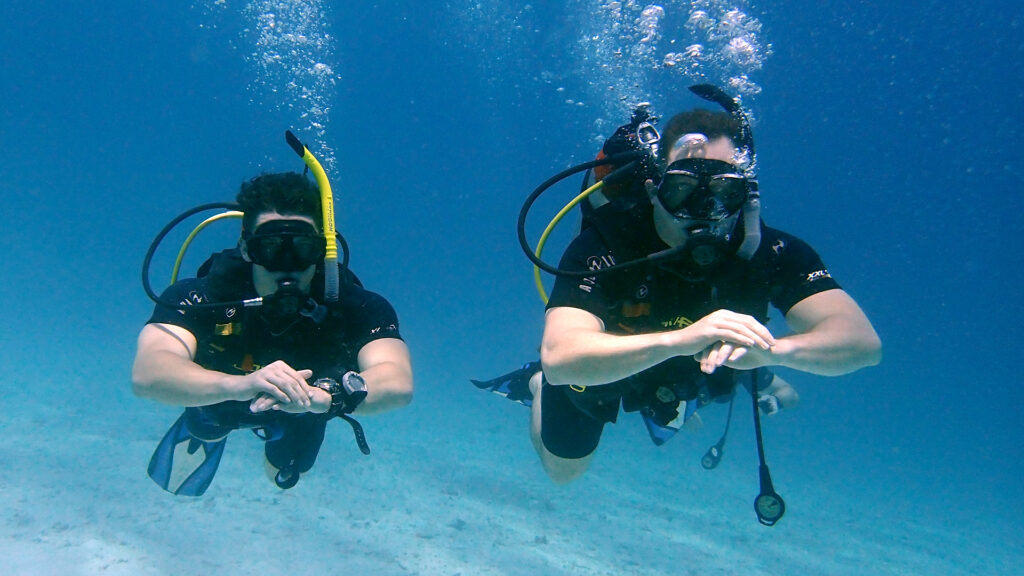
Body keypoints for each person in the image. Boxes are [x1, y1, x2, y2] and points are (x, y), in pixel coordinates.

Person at [478, 89, 880, 485]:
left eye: (724, 190)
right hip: (610, 364)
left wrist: (774, 351)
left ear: (746, 192)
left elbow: (862, 344)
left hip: (687, 369)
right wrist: (682, 339)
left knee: (686, 400)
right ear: (656, 185)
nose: (704, 208)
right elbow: (561, 358)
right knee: (564, 472)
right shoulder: (607, 244)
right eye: (684, 188)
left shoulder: (771, 250)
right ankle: (534, 388)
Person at [133, 172, 413, 495]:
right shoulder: (205, 298)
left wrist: (328, 396)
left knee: (287, 473)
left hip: (306, 405)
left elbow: (398, 381)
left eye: (303, 248)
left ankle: (275, 444)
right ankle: (204, 430)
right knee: (207, 424)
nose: (287, 266)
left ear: (323, 250)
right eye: (269, 248)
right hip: (221, 396)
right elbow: (148, 372)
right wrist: (240, 386)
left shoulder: (353, 305)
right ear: (246, 248)